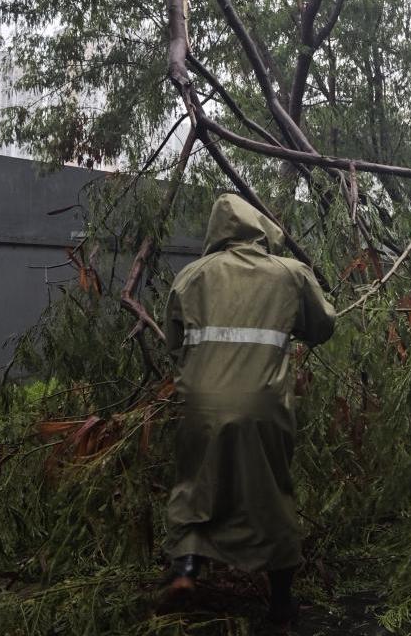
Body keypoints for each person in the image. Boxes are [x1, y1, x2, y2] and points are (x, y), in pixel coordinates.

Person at [162, 194, 336, 625]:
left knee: (195, 485)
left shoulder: (191, 276)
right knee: (271, 492)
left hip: (199, 402)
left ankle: (185, 570)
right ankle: (280, 603)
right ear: (260, 229)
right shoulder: (290, 274)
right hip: (262, 403)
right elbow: (323, 326)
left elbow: (173, 341)